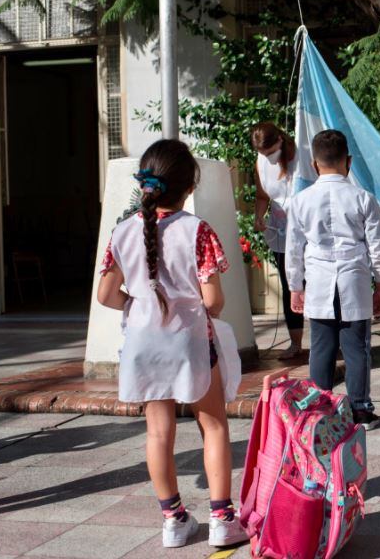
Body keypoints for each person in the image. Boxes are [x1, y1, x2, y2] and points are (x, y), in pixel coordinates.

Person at [97, 140, 247, 549]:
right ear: (189, 184)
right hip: (189, 340)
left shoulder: (123, 230)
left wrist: (138, 304)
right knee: (213, 424)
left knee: (158, 433)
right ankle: (222, 520)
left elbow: (107, 296)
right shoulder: (197, 231)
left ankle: (173, 520)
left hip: (143, 343)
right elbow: (214, 301)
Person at [285, 129, 380, 429]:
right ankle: (360, 409)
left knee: (321, 348)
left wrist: (295, 286)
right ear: (349, 161)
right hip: (353, 278)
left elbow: (293, 249)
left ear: (315, 164)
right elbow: (377, 246)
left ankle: (320, 409)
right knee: (357, 347)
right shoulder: (363, 198)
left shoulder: (301, 200)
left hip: (317, 280)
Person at [251, 122, 304, 358]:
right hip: (280, 229)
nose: (268, 158)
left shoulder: (300, 157)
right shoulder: (261, 162)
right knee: (289, 283)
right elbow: (262, 195)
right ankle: (296, 343)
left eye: (270, 153)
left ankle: (332, 339)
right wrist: (258, 216)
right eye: (263, 154)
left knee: (315, 282)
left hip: (305, 229)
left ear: (280, 141)